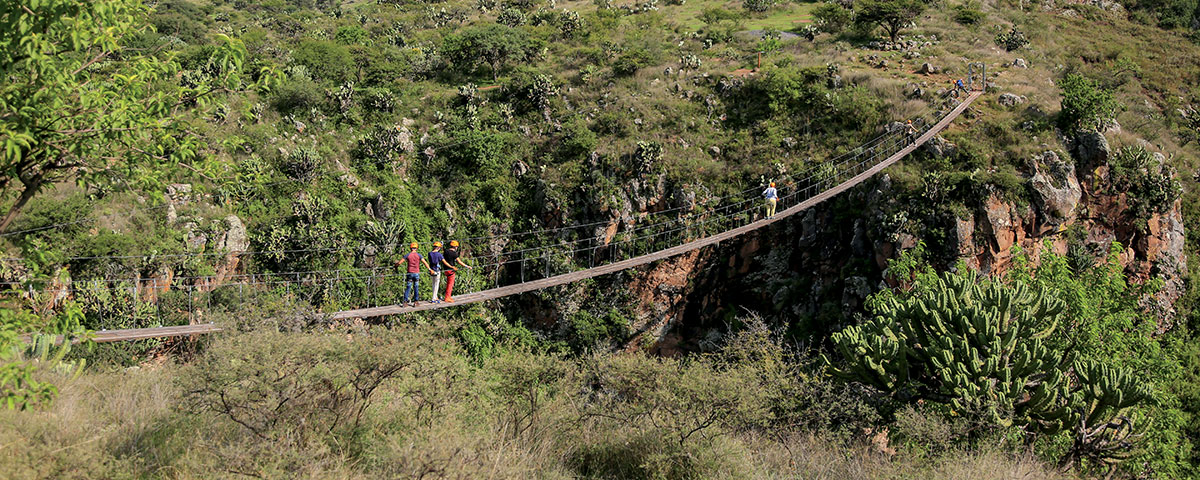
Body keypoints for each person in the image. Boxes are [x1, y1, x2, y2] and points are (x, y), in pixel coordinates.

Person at [397, 242, 434, 307]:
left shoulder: (408, 255)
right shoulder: (419, 255)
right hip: (416, 273)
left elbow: (400, 262)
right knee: (416, 287)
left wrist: (396, 266)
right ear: (416, 248)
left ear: (410, 248)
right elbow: (425, 263)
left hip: (410, 273)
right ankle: (416, 302)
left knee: (408, 287)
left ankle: (405, 302)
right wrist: (430, 269)